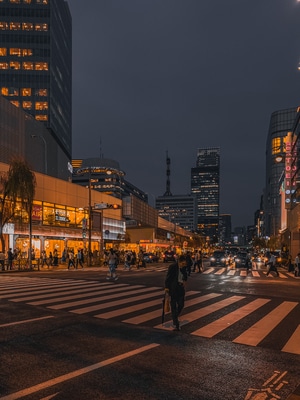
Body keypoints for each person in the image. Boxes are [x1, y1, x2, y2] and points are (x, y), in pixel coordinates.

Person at [164, 254, 188, 331]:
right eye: (182, 263)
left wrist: (183, 271)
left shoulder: (183, 268)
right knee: (173, 305)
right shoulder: (173, 267)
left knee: (181, 304)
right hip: (174, 288)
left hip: (181, 288)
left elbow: (186, 277)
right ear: (179, 262)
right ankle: (176, 323)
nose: (184, 264)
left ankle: (175, 316)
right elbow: (168, 278)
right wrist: (167, 288)